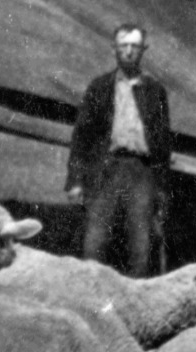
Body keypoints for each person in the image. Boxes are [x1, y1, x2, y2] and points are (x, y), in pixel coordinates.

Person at [66, 22, 174, 277]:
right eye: (123, 46)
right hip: (106, 170)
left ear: (143, 50)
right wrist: (75, 181)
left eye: (135, 47)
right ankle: (91, 297)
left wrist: (161, 188)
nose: (128, 52)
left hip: (141, 172)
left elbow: (163, 142)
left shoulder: (154, 91)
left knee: (141, 245)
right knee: (95, 241)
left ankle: (136, 299)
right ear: (114, 49)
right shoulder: (100, 87)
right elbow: (82, 136)